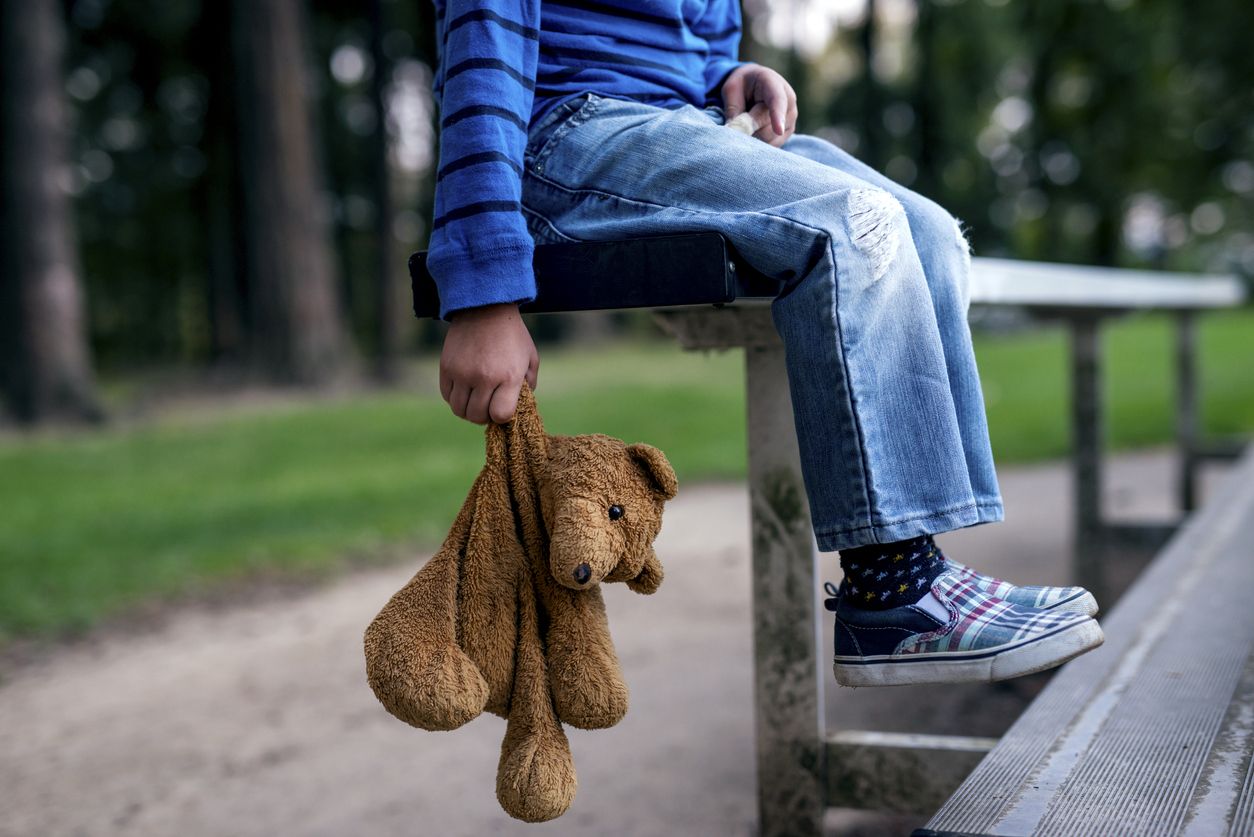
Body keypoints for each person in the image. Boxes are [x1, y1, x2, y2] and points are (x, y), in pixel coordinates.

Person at [427, 0, 1104, 686]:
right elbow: (481, 47)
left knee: (930, 236)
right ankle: (893, 590)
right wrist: (481, 290)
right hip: (565, 130)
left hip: (695, 122)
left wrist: (729, 72)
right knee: (852, 222)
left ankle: (924, 567)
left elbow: (682, 33)